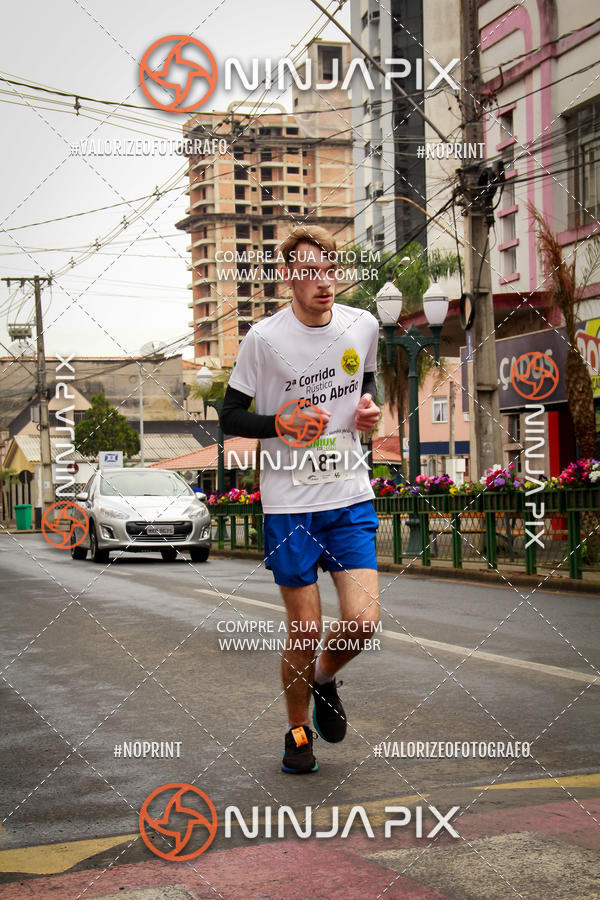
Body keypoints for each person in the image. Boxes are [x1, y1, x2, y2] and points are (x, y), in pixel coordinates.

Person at [220, 224, 380, 774]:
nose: (323, 282)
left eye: (329, 270)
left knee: (363, 621)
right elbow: (230, 416)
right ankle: (297, 730)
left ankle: (322, 678)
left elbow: (366, 388)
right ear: (288, 277)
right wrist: (279, 423)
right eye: (309, 272)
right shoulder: (263, 339)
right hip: (289, 503)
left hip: (349, 494)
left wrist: (368, 410)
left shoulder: (363, 325)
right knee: (306, 628)